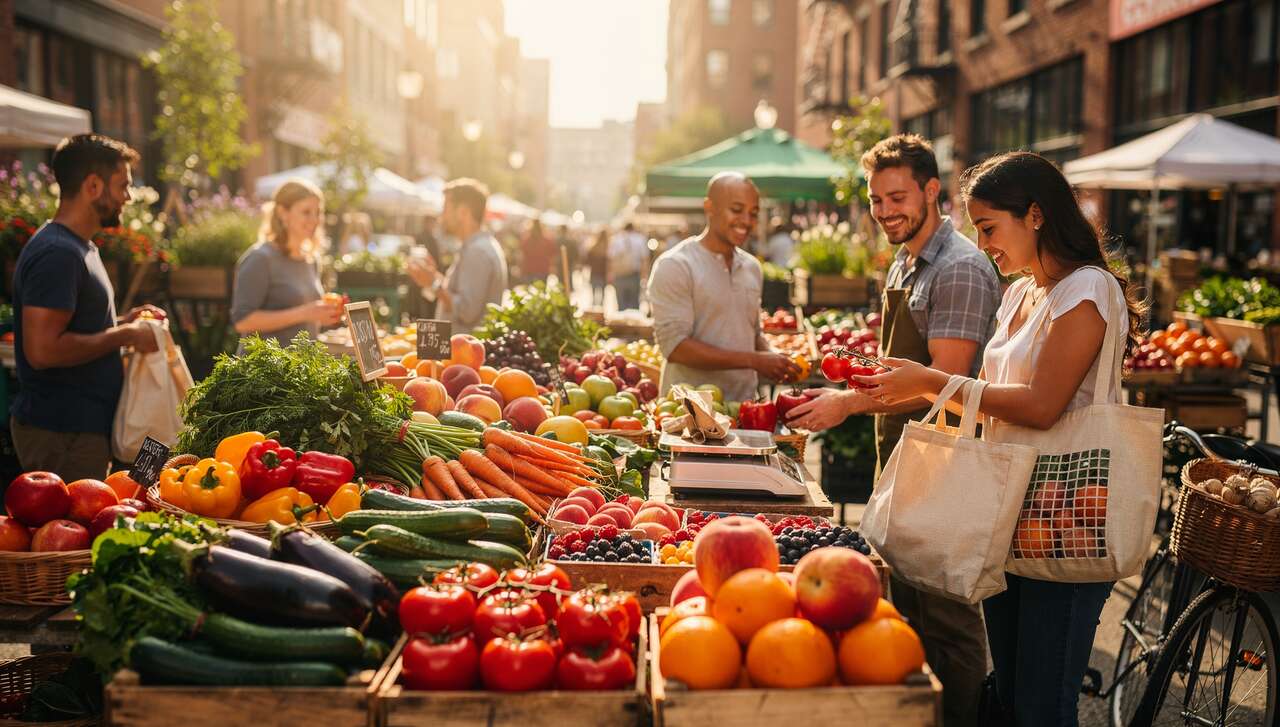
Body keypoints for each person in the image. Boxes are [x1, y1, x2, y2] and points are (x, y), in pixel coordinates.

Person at [851, 151, 1145, 726]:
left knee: (1042, 707)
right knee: (1008, 694)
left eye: (989, 228)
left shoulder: (1086, 290)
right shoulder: (1021, 293)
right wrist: (914, 386)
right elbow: (988, 393)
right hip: (1010, 511)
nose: (983, 244)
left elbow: (1040, 406)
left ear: (1035, 215)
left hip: (1066, 517)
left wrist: (933, 382)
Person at [787, 134, 1000, 727]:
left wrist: (845, 404)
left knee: (948, 624)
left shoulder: (958, 269)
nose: (885, 211)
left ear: (933, 190)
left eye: (898, 196)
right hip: (905, 461)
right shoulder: (910, 257)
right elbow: (900, 364)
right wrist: (846, 372)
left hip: (946, 467)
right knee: (905, 611)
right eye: (877, 200)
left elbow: (945, 385)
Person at [11, 134, 164, 481]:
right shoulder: (59, 254)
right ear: (93, 185)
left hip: (78, 429)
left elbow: (76, 327)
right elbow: (43, 351)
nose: (128, 196)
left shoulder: (80, 248)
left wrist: (124, 322)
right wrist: (125, 334)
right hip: (62, 432)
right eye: (123, 185)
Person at [648, 172, 799, 401]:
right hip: (688, 414)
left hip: (746, 407)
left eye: (753, 213)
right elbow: (675, 347)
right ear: (709, 207)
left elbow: (752, 332)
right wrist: (754, 360)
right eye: (736, 210)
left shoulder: (751, 267)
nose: (747, 221)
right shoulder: (676, 265)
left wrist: (774, 357)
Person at [231, 179, 340, 349]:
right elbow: (242, 321)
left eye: (318, 212)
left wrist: (326, 315)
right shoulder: (260, 258)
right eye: (306, 212)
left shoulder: (311, 260)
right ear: (283, 213)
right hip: (265, 369)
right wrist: (305, 313)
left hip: (301, 369)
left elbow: (309, 320)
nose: (315, 219)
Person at [406, 178, 508, 334]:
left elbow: (466, 311)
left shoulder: (478, 252)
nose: (441, 217)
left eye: (445, 208)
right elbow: (458, 295)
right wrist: (433, 277)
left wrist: (433, 283)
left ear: (463, 212)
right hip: (462, 351)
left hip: (466, 354)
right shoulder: (475, 247)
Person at [608, 223, 647, 310]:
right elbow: (644, 259)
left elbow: (610, 259)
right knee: (634, 304)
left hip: (619, 276)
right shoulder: (640, 239)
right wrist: (644, 276)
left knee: (621, 305)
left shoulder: (616, 239)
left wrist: (610, 274)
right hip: (634, 275)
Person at [519, 219, 557, 283]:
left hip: (529, 269)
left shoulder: (526, 240)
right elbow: (553, 254)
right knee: (541, 290)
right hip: (542, 269)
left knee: (529, 291)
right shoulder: (546, 240)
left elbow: (522, 253)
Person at [586, 229, 610, 308]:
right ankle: (600, 313)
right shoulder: (607, 248)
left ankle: (594, 313)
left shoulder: (593, 247)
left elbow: (587, 262)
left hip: (594, 274)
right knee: (602, 298)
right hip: (602, 274)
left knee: (593, 297)